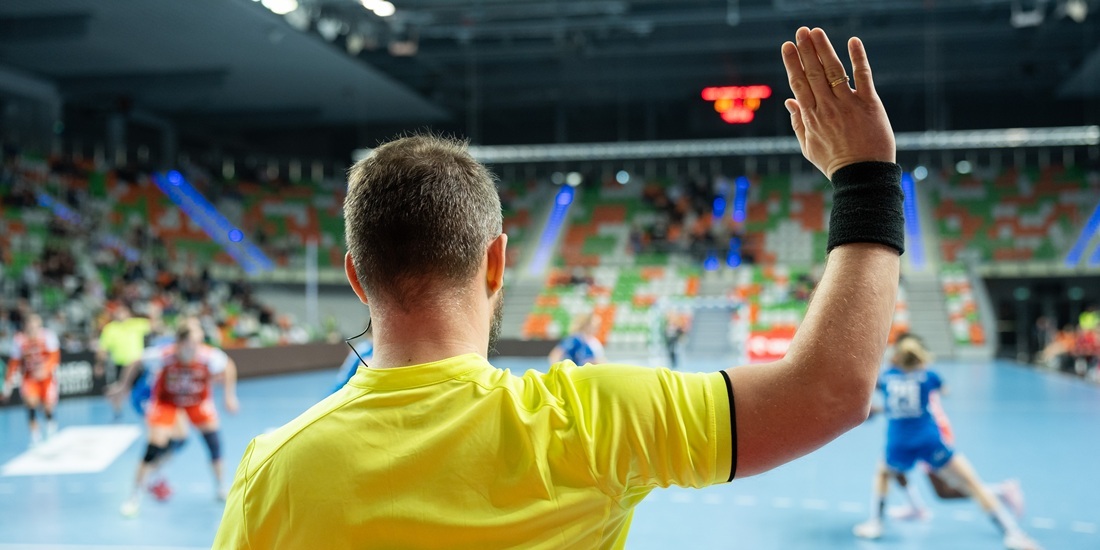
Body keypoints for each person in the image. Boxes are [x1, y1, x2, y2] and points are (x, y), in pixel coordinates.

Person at [216, 27, 905, 548]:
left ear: (356, 279)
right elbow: (831, 392)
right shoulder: (590, 421)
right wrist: (866, 176)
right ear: (496, 264)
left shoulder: (271, 472)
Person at [853, 339, 1041, 549]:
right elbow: (945, 391)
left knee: (884, 474)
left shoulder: (887, 378)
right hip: (929, 439)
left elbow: (876, 390)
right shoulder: (929, 376)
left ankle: (876, 523)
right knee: (972, 483)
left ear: (895, 358)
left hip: (899, 441)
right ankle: (1013, 533)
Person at [121, 322, 239, 517]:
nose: (196, 346)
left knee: (214, 443)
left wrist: (229, 395)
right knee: (153, 448)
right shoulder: (164, 355)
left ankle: (221, 489)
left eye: (199, 341)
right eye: (192, 342)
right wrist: (122, 386)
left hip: (197, 401)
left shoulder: (208, 356)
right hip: (167, 402)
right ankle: (134, 496)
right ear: (180, 342)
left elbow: (229, 366)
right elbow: (135, 362)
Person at [2, 313, 61, 447]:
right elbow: (14, 362)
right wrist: (8, 383)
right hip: (30, 377)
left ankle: (50, 424)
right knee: (31, 403)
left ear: (39, 326)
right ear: (26, 326)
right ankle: (35, 436)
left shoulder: (48, 336)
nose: (33, 328)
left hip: (47, 377)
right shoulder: (19, 340)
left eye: (35, 325)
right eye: (30, 325)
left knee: (47, 405)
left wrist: (45, 369)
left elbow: (55, 357)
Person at [96, 302, 153, 418]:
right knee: (118, 389)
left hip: (137, 364)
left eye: (122, 312)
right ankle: (117, 412)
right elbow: (102, 348)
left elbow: (153, 325)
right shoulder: (110, 328)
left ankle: (149, 408)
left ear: (128, 313)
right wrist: (100, 364)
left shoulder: (137, 324)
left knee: (144, 386)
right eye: (118, 312)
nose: (120, 314)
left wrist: (153, 311)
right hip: (120, 364)